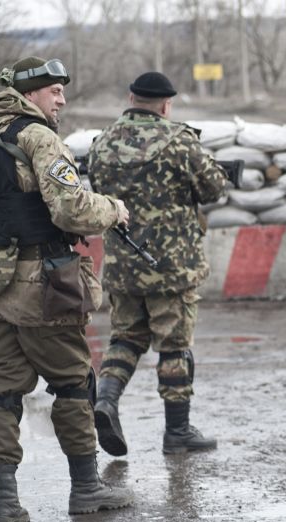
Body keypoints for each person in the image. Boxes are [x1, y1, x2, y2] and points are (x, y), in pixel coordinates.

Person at [0, 56, 135, 522]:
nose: (61, 100)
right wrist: (113, 209)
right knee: (71, 384)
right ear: (29, 95)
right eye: (53, 92)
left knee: (4, 392)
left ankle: (4, 504)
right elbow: (71, 210)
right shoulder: (38, 137)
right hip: (44, 284)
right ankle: (86, 489)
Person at [87, 71, 228, 458]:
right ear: (166, 105)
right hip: (171, 267)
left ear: (132, 98)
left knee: (126, 338)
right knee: (174, 345)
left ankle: (106, 401)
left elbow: (97, 194)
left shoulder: (102, 144)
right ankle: (178, 431)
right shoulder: (180, 141)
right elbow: (214, 188)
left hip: (123, 264)